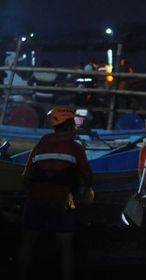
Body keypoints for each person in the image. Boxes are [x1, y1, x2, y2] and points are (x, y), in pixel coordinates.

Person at [18, 105, 94, 280]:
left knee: (27, 244)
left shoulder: (40, 144)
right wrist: (84, 192)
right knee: (66, 248)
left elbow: (26, 177)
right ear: (69, 124)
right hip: (62, 202)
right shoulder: (75, 147)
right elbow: (88, 175)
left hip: (36, 201)